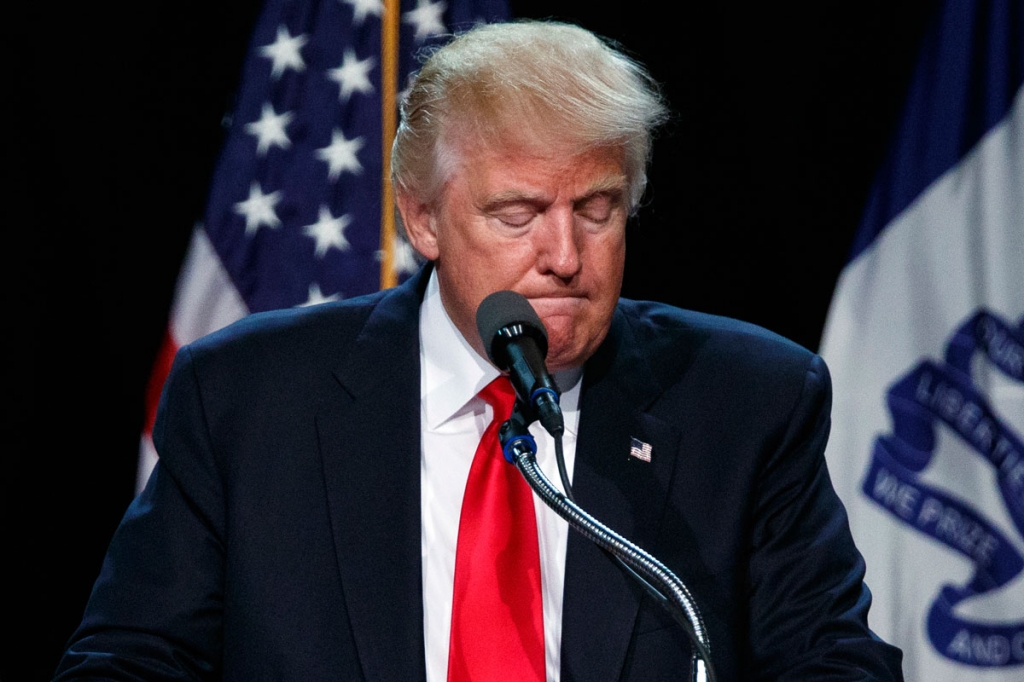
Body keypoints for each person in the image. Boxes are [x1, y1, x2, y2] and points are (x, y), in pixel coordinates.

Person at [55, 21, 903, 681]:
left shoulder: (746, 403)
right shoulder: (246, 400)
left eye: (598, 208)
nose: (565, 255)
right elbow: (129, 664)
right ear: (421, 218)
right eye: (517, 214)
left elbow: (833, 664)